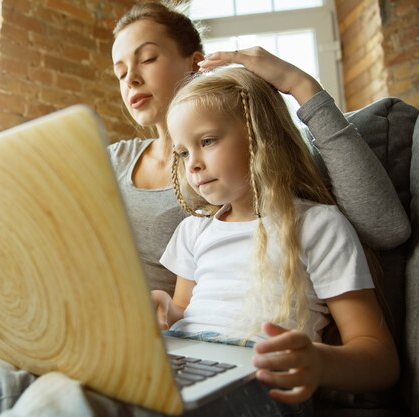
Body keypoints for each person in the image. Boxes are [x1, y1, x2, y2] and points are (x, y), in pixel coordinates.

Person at [0, 2, 408, 416]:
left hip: (167, 359)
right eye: (119, 70)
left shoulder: (272, 181)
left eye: (146, 57)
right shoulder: (117, 162)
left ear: (198, 63)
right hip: (78, 336)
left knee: (37, 396)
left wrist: (298, 88)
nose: (131, 78)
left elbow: (383, 229)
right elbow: (44, 258)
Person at [154, 67, 398, 410]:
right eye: (182, 152)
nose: (192, 163)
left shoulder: (316, 225)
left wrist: (318, 362)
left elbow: (380, 358)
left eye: (207, 141)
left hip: (262, 376)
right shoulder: (194, 230)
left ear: (261, 136)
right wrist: (165, 310)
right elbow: (183, 310)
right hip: (183, 359)